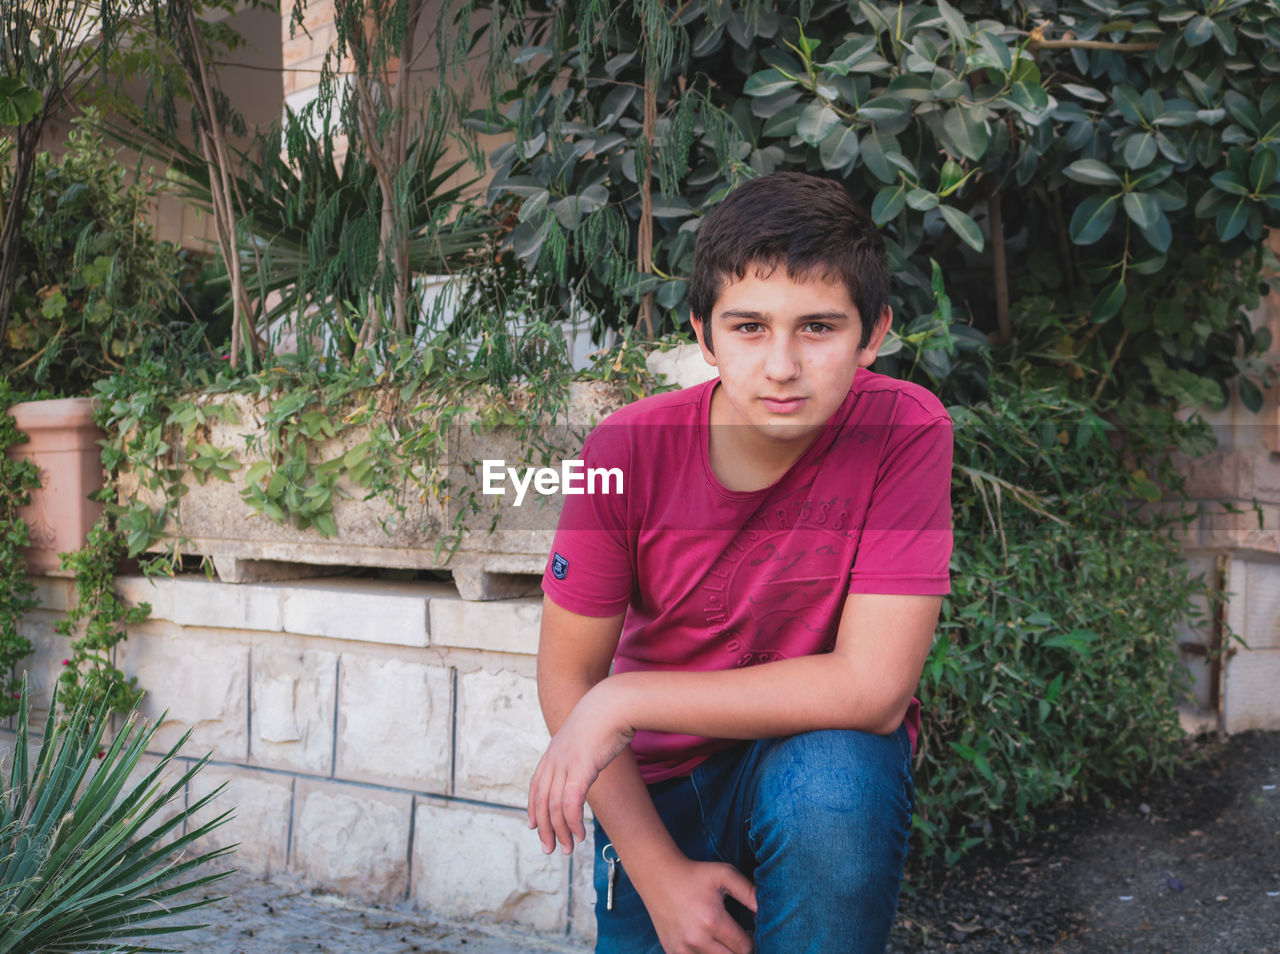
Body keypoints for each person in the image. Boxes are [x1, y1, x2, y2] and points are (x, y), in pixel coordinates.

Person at [527, 171, 953, 954]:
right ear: (703, 333)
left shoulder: (904, 430)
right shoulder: (622, 451)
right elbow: (568, 675)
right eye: (749, 327)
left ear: (876, 332)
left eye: (818, 328)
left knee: (839, 771)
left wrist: (621, 701)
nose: (782, 366)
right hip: (660, 794)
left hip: (814, 763)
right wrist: (658, 875)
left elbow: (874, 689)